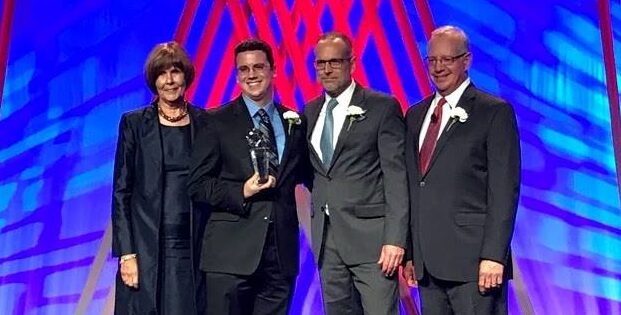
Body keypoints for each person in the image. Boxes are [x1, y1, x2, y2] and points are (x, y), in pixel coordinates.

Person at [402, 25, 521, 314]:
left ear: (466, 61)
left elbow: (504, 190)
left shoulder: (493, 112)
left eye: (448, 59)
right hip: (427, 266)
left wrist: (494, 256)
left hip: (475, 264)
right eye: (432, 60)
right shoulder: (416, 114)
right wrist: (410, 251)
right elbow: (412, 185)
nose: (439, 67)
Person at [187, 39, 310, 315]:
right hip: (230, 256)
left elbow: (306, 175)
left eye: (258, 67)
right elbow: (197, 185)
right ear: (237, 75)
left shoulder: (295, 121)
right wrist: (241, 191)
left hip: (280, 258)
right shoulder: (215, 121)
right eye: (243, 69)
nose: (251, 75)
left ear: (273, 70)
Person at [303, 32, 409, 315]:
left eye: (335, 62)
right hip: (328, 243)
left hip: (373, 244)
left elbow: (397, 177)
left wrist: (396, 240)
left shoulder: (381, 107)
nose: (326, 70)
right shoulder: (310, 111)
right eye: (320, 63)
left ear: (352, 63)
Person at [111, 41, 207, 314]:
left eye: (175, 72)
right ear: (153, 80)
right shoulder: (135, 124)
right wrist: (126, 254)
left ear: (185, 75)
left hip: (192, 248)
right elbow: (121, 193)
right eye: (161, 74)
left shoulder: (205, 122)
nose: (169, 81)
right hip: (146, 249)